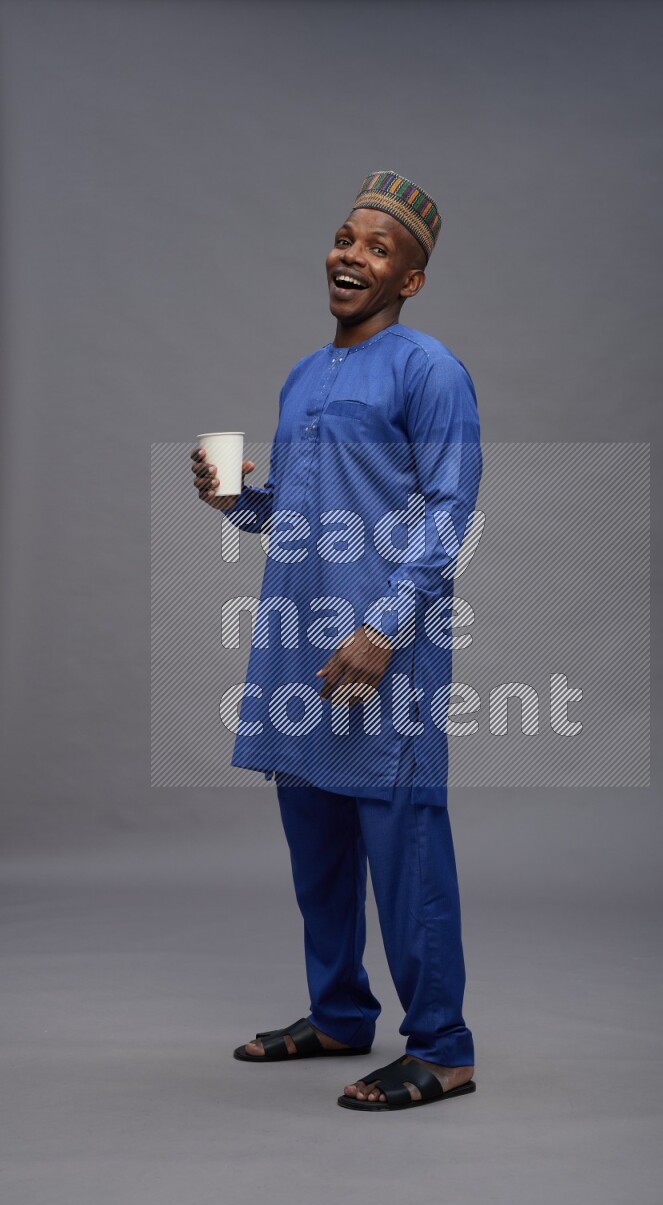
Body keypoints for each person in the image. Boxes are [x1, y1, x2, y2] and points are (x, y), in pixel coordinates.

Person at [191, 172, 482, 1110]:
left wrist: (384, 626)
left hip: (381, 654)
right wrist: (236, 499)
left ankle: (442, 1047)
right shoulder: (302, 375)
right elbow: (294, 511)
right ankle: (340, 1013)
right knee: (316, 851)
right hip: (299, 645)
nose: (351, 255)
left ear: (410, 280)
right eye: (346, 238)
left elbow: (451, 511)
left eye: (378, 248)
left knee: (405, 854)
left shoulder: (429, 369)